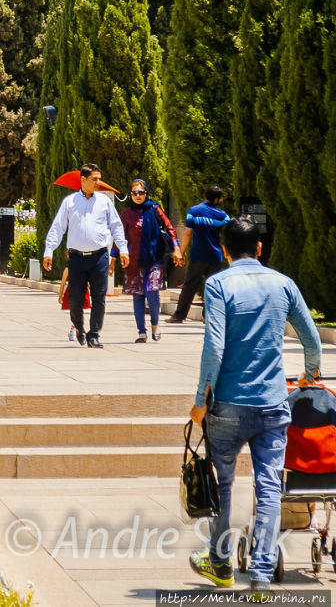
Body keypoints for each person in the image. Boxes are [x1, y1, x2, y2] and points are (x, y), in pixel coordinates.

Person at [187, 216, 322, 597]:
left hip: (227, 404)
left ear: (224, 249)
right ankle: (261, 576)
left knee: (223, 486)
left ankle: (221, 563)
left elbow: (214, 347)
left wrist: (200, 401)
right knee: (268, 487)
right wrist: (309, 373)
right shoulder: (283, 284)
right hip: (273, 404)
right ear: (259, 248)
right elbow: (311, 338)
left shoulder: (217, 284)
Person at [42, 164, 129, 348]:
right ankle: (80, 328)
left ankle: (94, 334)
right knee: (75, 298)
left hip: (99, 257)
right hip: (76, 258)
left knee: (99, 297)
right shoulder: (70, 202)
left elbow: (116, 226)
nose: (98, 183)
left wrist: (123, 249)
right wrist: (49, 250)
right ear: (83, 179)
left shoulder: (105, 202)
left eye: (99, 178)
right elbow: (58, 227)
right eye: (94, 179)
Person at [120, 179, 182, 343]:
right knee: (138, 296)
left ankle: (155, 325)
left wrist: (176, 247)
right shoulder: (127, 214)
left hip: (154, 259)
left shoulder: (154, 209)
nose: (138, 196)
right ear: (130, 194)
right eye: (135, 193)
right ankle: (141, 331)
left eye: (141, 192)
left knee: (152, 292)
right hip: (134, 261)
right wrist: (114, 256)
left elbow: (170, 228)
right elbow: (120, 237)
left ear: (146, 192)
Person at [170, 185, 233, 324]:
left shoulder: (194, 211)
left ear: (205, 196)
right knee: (213, 288)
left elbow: (187, 233)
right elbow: (229, 233)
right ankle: (209, 317)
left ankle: (178, 316)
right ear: (217, 199)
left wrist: (182, 251)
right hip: (215, 257)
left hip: (198, 256)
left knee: (189, 286)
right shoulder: (223, 215)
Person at [59, 266, 92, 341]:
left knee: (80, 312)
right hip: (72, 292)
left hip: (83, 291)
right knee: (73, 312)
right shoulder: (68, 269)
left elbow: (88, 282)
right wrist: (60, 296)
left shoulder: (84, 267)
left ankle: (79, 330)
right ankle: (74, 330)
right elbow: (63, 283)